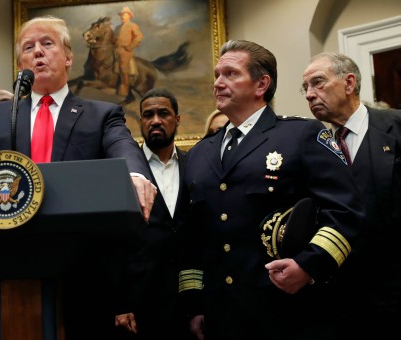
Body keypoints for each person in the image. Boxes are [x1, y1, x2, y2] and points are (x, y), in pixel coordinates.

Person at [0, 15, 156, 339]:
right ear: (20, 63)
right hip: (6, 266)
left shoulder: (100, 114)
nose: (37, 52)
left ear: (68, 58)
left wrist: (134, 174)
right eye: (28, 47)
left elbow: (124, 147)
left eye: (47, 43)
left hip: (82, 273)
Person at [180, 40, 364, 340]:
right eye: (217, 74)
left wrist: (308, 265)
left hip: (285, 310)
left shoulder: (301, 135)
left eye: (230, 74)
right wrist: (194, 304)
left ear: (261, 84)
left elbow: (346, 211)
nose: (218, 83)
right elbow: (191, 235)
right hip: (220, 313)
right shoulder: (200, 153)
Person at [302, 52, 401, 339]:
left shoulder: (395, 127)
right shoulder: (316, 146)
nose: (309, 95)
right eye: (305, 88)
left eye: (317, 83)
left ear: (348, 83)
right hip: (340, 299)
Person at [115, 88, 191, 339]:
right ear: (141, 121)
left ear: (177, 120)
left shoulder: (194, 164)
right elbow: (115, 243)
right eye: (148, 115)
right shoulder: (126, 169)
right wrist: (121, 303)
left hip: (186, 297)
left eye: (163, 113)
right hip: (139, 299)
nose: (155, 120)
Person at [114, 6, 143, 102]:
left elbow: (139, 36)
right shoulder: (117, 27)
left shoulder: (132, 25)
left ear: (129, 16)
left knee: (123, 66)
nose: (123, 17)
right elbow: (113, 39)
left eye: (125, 15)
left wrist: (130, 46)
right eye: (122, 15)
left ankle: (124, 89)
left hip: (126, 51)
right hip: (116, 50)